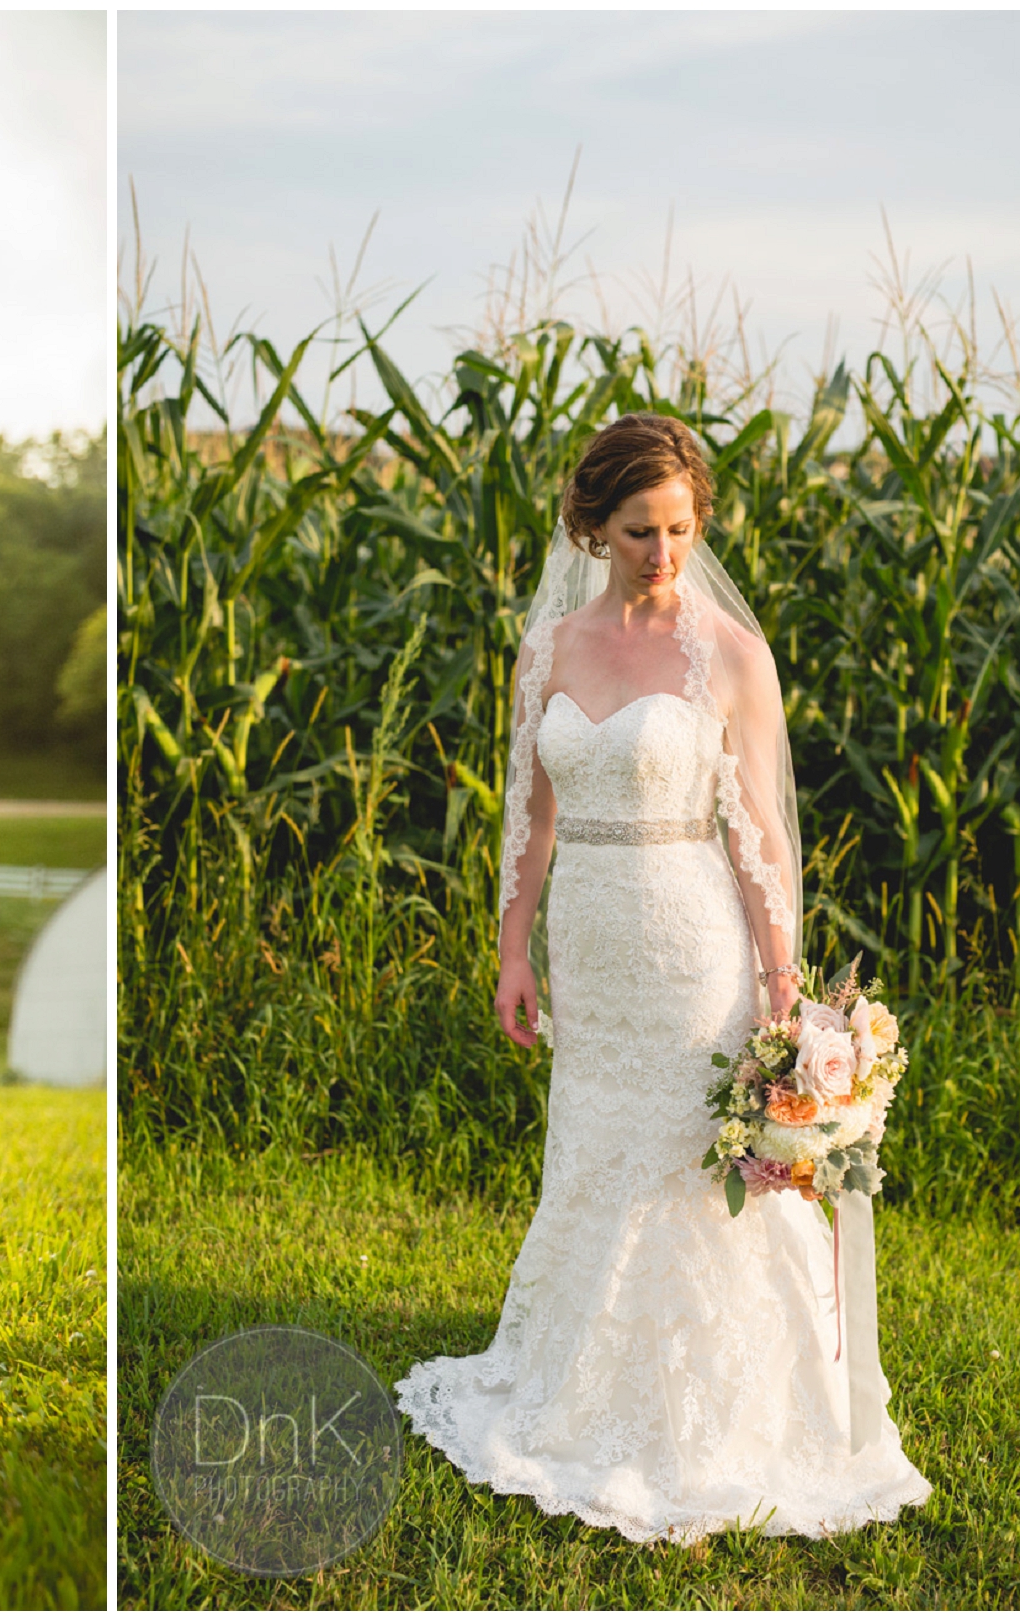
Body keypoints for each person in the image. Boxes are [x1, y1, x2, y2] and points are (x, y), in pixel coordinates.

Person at [395, 414, 932, 1543]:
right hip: (588, 949)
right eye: (640, 529)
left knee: (691, 1159)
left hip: (691, 944)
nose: (662, 552)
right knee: (594, 1145)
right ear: (593, 524)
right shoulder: (548, 648)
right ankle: (576, 1375)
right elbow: (528, 816)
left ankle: (725, 1406)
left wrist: (780, 979)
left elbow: (760, 833)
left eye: (680, 528)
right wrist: (511, 947)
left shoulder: (727, 652)